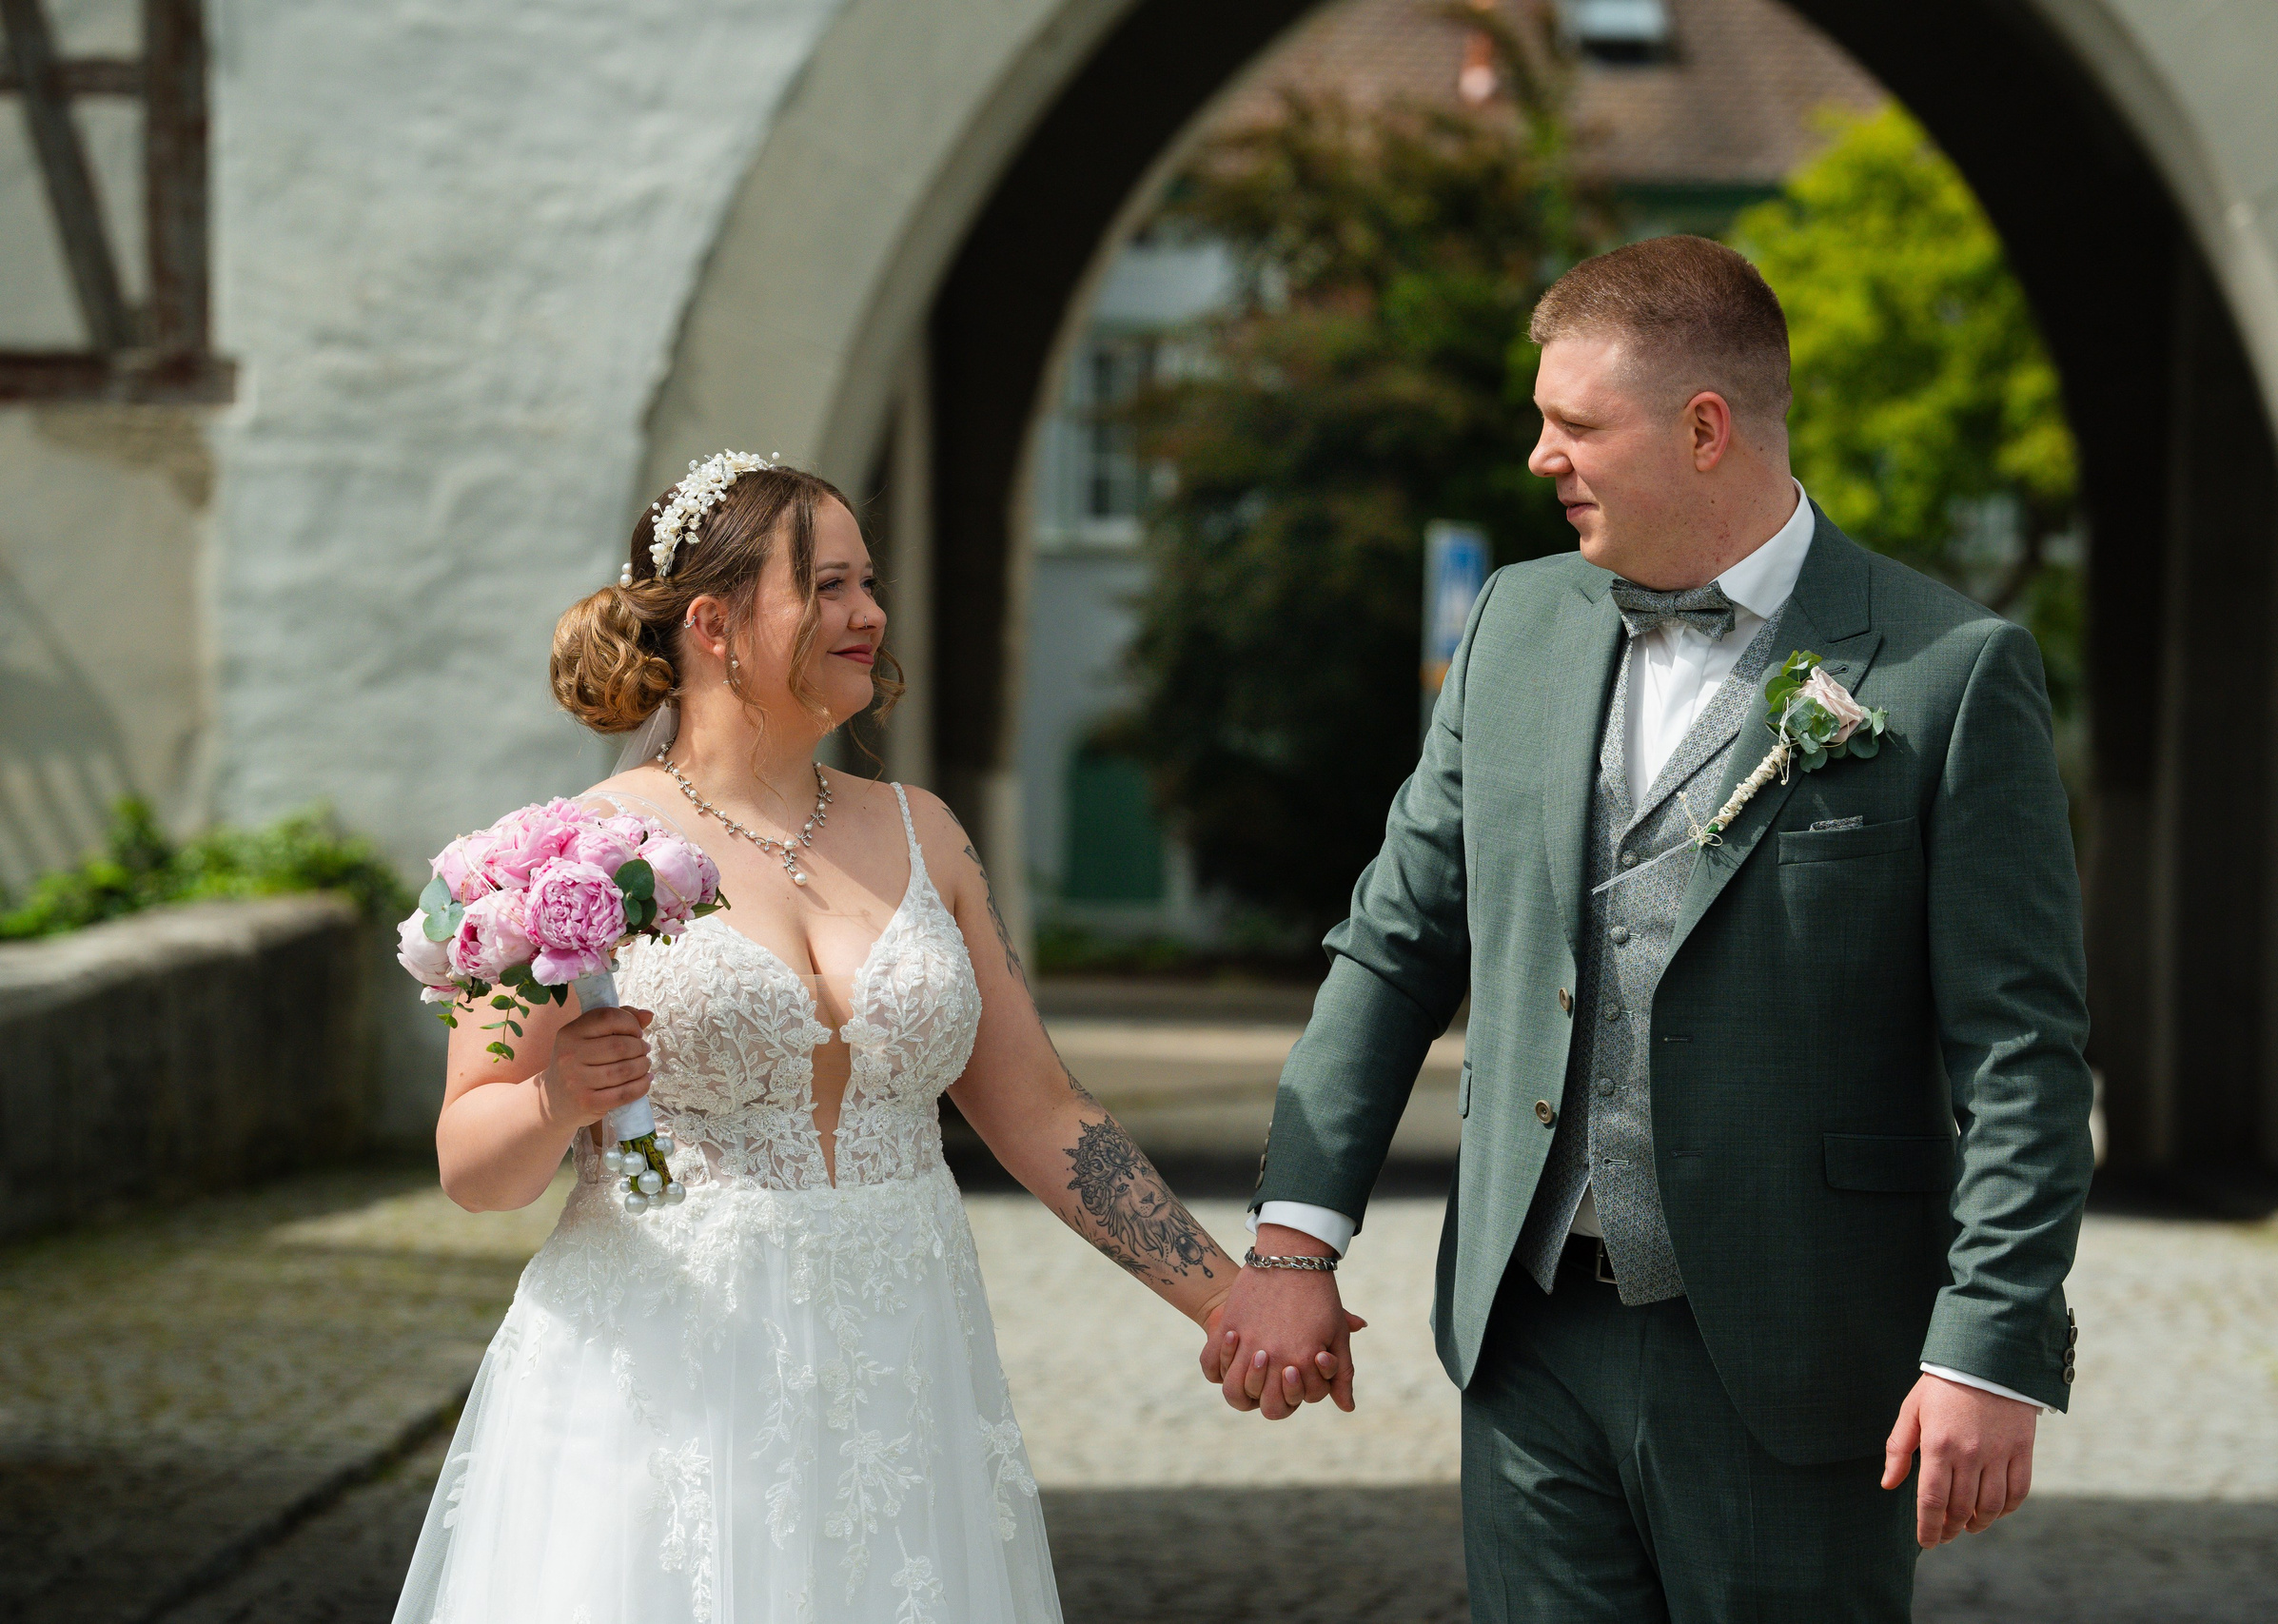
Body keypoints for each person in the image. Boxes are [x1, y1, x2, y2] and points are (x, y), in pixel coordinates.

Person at [1206, 236, 2093, 1621]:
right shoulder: (1516, 621)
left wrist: (1988, 1346)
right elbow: (1393, 946)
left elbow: (2023, 1052)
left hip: (1803, 1354)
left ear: (1702, 428)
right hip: (1532, 1333)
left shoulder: (1948, 672)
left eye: (1574, 425)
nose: (1538, 457)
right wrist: (1293, 1238)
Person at [393, 458, 1239, 1623]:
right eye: (829, 585)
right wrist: (553, 1104)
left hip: (902, 1373)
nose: (871, 614)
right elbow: (469, 1166)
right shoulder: (563, 861)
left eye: (870, 582)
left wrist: (1229, 1302)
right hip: (665, 1384)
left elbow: (1041, 1110)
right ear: (715, 623)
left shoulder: (922, 832)